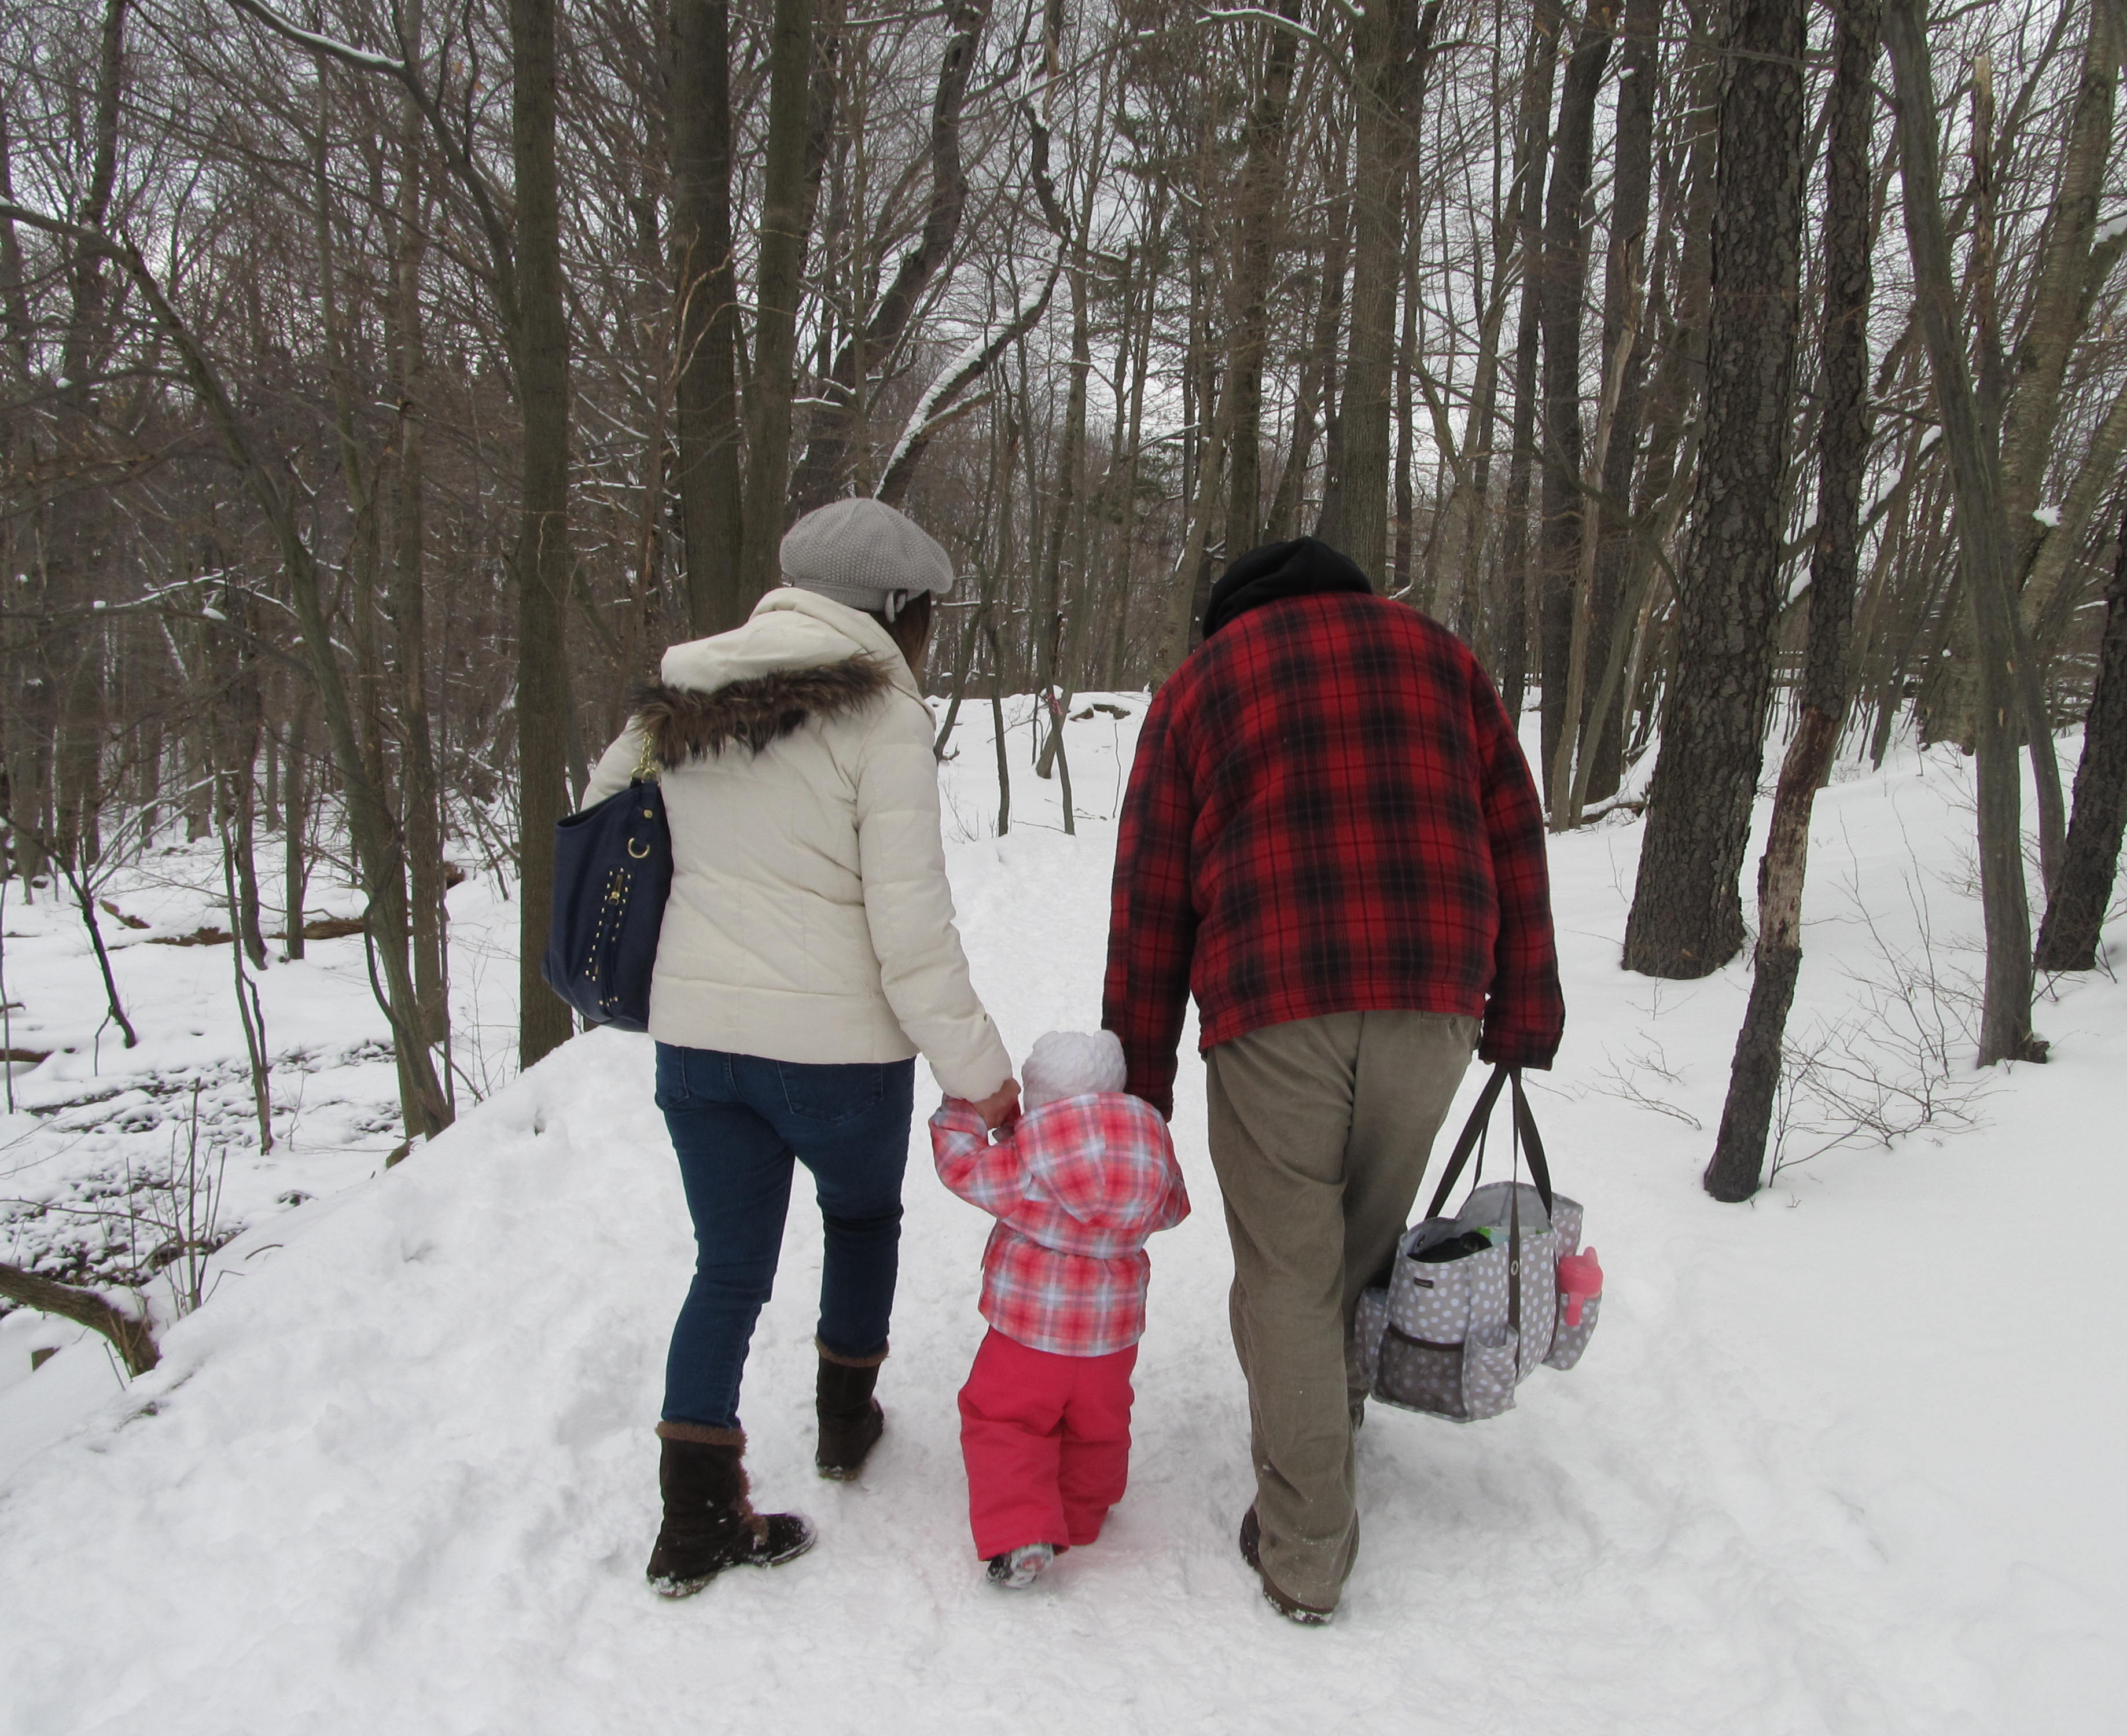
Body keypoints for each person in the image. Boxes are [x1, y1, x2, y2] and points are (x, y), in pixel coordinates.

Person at [1101, 536, 1563, 1625]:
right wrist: (1525, 1007)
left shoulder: (1201, 685)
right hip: (1435, 994)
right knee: (1354, 1244)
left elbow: (1152, 891)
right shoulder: (1442, 659)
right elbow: (1516, 837)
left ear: (1231, 614)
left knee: (1289, 1275)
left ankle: (1307, 1545)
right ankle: (1329, 1422)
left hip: (1274, 1000)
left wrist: (1139, 1074)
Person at [582, 496, 1020, 1598]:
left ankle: (693, 1525)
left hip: (696, 1043)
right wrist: (983, 1077)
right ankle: (844, 1425)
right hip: (838, 1058)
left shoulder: (681, 689)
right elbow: (911, 935)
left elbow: (601, 814)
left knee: (725, 1269)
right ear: (894, 609)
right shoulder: (883, 719)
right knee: (860, 1216)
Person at [929, 1029, 1190, 1590]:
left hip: (1028, 1335)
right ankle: (1081, 1513)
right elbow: (1174, 1208)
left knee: (1005, 1420)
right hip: (1110, 1342)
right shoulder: (1148, 1149)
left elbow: (960, 1165)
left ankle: (1023, 1531)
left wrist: (963, 1105)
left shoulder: (1027, 1164)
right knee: (1099, 1427)